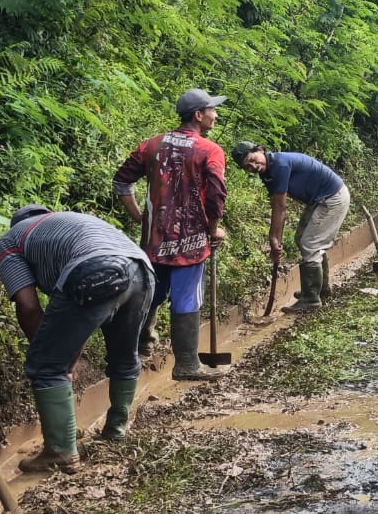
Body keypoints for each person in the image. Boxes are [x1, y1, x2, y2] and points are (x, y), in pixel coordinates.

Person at [0, 206, 153, 472]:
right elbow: (73, 321)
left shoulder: (10, 241)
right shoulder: (69, 224)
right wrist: (65, 360)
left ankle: (60, 452)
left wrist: (53, 361)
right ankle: (116, 431)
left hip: (94, 269)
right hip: (142, 270)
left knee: (44, 365)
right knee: (124, 355)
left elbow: (28, 307)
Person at [113, 88, 229, 381]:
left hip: (154, 242)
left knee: (151, 292)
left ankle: (136, 350)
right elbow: (216, 196)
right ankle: (187, 364)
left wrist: (141, 217)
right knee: (187, 297)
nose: (216, 115)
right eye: (212, 110)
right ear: (198, 115)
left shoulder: (152, 145)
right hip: (190, 243)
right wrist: (214, 228)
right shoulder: (209, 151)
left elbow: (122, 181)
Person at [233, 142, 352, 313]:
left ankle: (311, 299)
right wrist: (275, 240)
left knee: (310, 244)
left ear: (260, 150)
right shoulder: (267, 173)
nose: (253, 166)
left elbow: (281, 207)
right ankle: (320, 289)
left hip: (332, 198)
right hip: (319, 200)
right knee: (301, 239)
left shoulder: (279, 165)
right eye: (247, 166)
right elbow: (276, 205)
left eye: (253, 159)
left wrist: (274, 239)